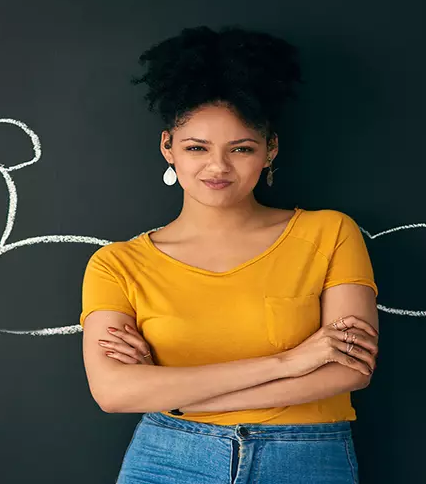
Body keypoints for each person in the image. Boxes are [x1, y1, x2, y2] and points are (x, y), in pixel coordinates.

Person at [79, 25, 379, 484]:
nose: (217, 167)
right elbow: (113, 391)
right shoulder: (117, 264)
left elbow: (349, 370)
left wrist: (172, 394)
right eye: (196, 148)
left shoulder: (329, 232)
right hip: (167, 457)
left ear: (270, 150)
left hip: (303, 458)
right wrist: (290, 361)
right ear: (168, 149)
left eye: (241, 149)